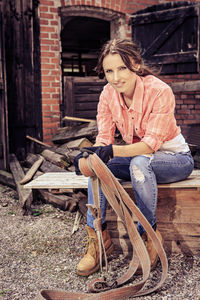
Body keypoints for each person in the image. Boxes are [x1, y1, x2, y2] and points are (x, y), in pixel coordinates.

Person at [74, 38, 194, 277]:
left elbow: (150, 145)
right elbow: (104, 137)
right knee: (98, 167)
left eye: (122, 68)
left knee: (139, 162)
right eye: (109, 70)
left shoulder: (159, 91)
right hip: (140, 158)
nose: (116, 77)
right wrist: (92, 156)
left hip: (175, 159)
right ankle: (98, 239)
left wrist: (111, 151)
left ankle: (148, 238)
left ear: (136, 65)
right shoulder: (108, 95)